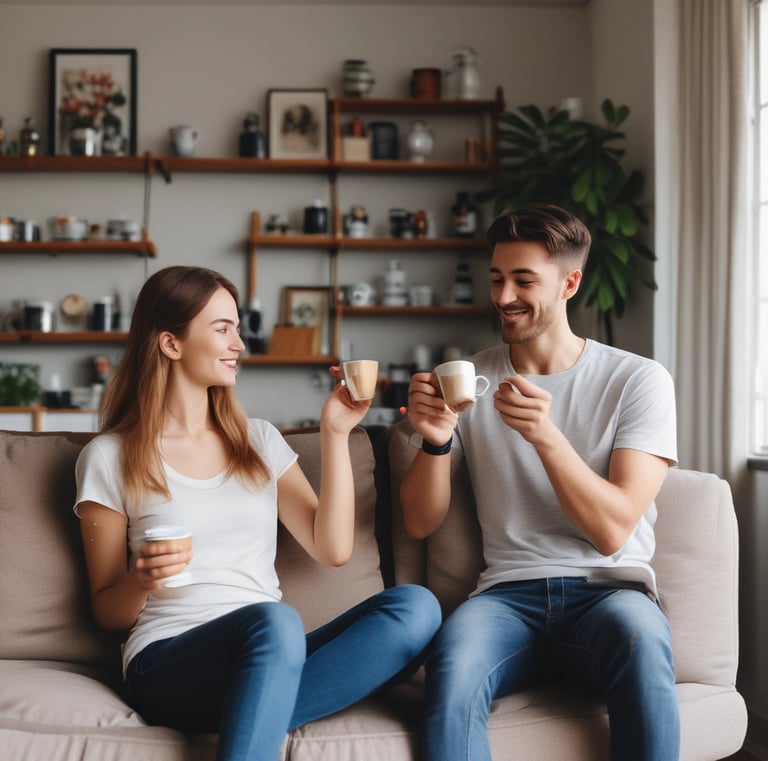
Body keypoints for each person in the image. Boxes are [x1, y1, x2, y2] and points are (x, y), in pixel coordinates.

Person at [74, 265, 441, 761]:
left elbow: (332, 549)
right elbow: (107, 614)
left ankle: (253, 713)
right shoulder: (109, 456)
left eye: (238, 329)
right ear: (171, 343)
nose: (239, 344)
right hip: (167, 660)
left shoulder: (259, 441)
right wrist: (140, 579)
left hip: (270, 653)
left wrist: (335, 432)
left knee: (416, 608)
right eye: (222, 329)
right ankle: (258, 712)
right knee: (275, 622)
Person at [400, 204, 679, 761]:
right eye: (497, 279)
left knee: (643, 640)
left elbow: (612, 532)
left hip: (610, 592)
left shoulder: (637, 380)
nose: (504, 297)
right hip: (506, 597)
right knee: (451, 668)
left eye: (524, 281)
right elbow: (419, 522)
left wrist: (546, 437)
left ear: (569, 283)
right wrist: (435, 440)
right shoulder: (471, 381)